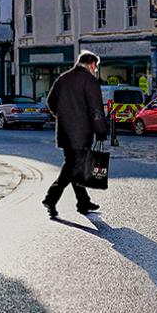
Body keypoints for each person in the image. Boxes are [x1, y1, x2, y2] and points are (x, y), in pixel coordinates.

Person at [43, 51, 109, 218]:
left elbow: (50, 101)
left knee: (74, 165)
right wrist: (101, 131)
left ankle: (83, 201)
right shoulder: (90, 81)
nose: (95, 70)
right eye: (96, 66)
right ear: (91, 64)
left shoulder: (63, 78)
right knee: (72, 167)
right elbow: (96, 110)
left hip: (65, 132)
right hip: (82, 133)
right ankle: (51, 198)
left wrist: (62, 116)